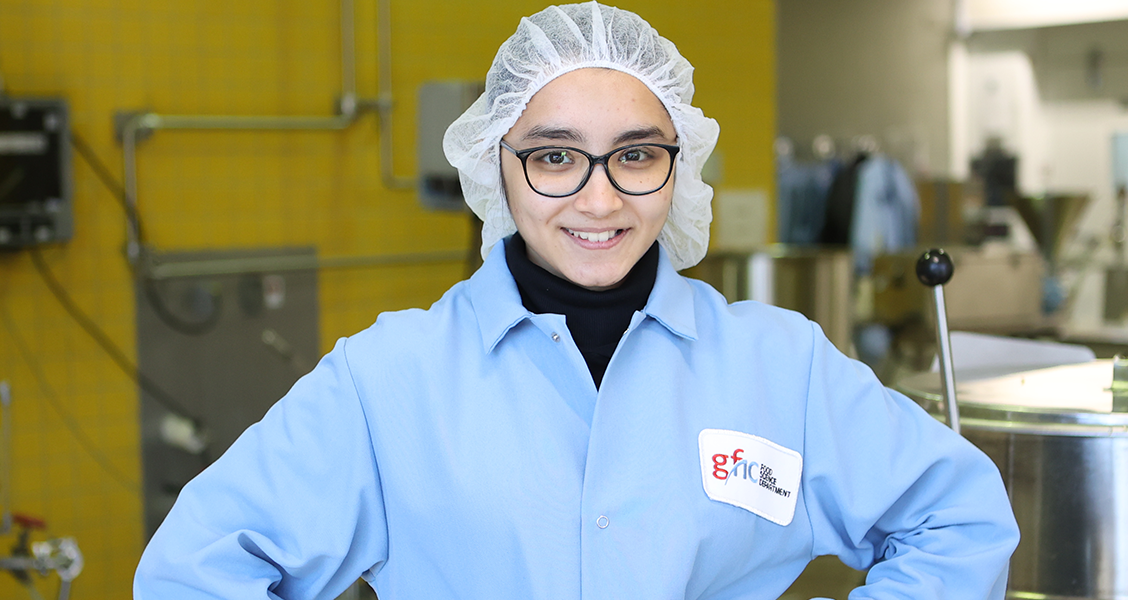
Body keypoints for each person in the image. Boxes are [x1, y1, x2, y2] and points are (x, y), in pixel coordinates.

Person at [133, 3, 1019, 599]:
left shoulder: (780, 366)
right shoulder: (390, 379)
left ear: (680, 167)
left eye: (636, 155)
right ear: (497, 167)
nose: (600, 201)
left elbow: (960, 518)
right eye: (555, 157)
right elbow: (193, 569)